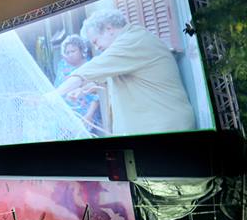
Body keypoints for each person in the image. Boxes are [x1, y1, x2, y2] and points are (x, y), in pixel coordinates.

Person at [54, 8, 196, 136]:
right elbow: (105, 78)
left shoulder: (133, 41)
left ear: (109, 29)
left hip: (165, 130)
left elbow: (90, 70)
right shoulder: (127, 44)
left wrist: (52, 97)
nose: (97, 48)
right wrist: (83, 90)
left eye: (96, 42)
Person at [53, 34, 102, 133]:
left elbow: (96, 94)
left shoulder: (90, 66)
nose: (70, 54)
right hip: (66, 116)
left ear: (81, 51)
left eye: (73, 51)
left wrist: (89, 115)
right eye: (67, 52)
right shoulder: (62, 66)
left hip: (86, 115)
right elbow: (58, 89)